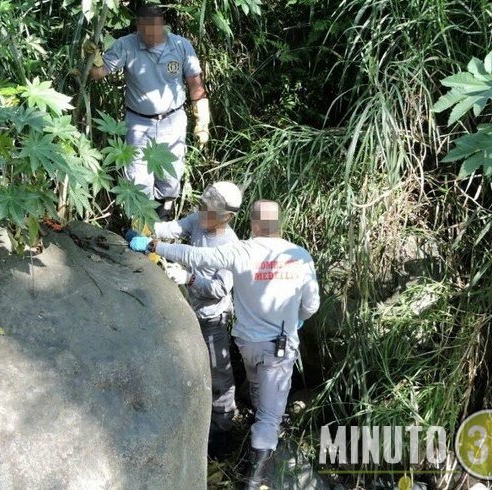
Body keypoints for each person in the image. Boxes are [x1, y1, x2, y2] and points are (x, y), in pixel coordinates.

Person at [129, 200, 320, 489]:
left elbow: (192, 255)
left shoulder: (240, 250)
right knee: (270, 417)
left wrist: (153, 246)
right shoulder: (300, 255)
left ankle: (255, 417)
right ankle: (253, 481)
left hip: (247, 344)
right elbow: (311, 305)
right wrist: (297, 320)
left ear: (254, 224)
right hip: (279, 348)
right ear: (279, 223)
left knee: (257, 384)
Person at [136, 181, 242, 457]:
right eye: (201, 206)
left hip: (213, 316)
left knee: (218, 370)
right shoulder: (198, 220)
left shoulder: (230, 245)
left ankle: (223, 425)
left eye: (209, 211)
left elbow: (221, 288)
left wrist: (190, 278)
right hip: (189, 307)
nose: (202, 213)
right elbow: (173, 230)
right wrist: (145, 228)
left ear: (227, 217)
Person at [86, 2, 210, 221]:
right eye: (146, 34)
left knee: (171, 174)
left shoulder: (181, 46)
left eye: (156, 32)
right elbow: (98, 73)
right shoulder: (126, 45)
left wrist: (202, 123)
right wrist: (91, 57)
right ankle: (140, 224)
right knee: (137, 177)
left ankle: (165, 215)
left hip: (173, 121)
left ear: (163, 25)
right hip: (138, 122)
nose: (152, 38)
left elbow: (195, 85)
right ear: (137, 28)